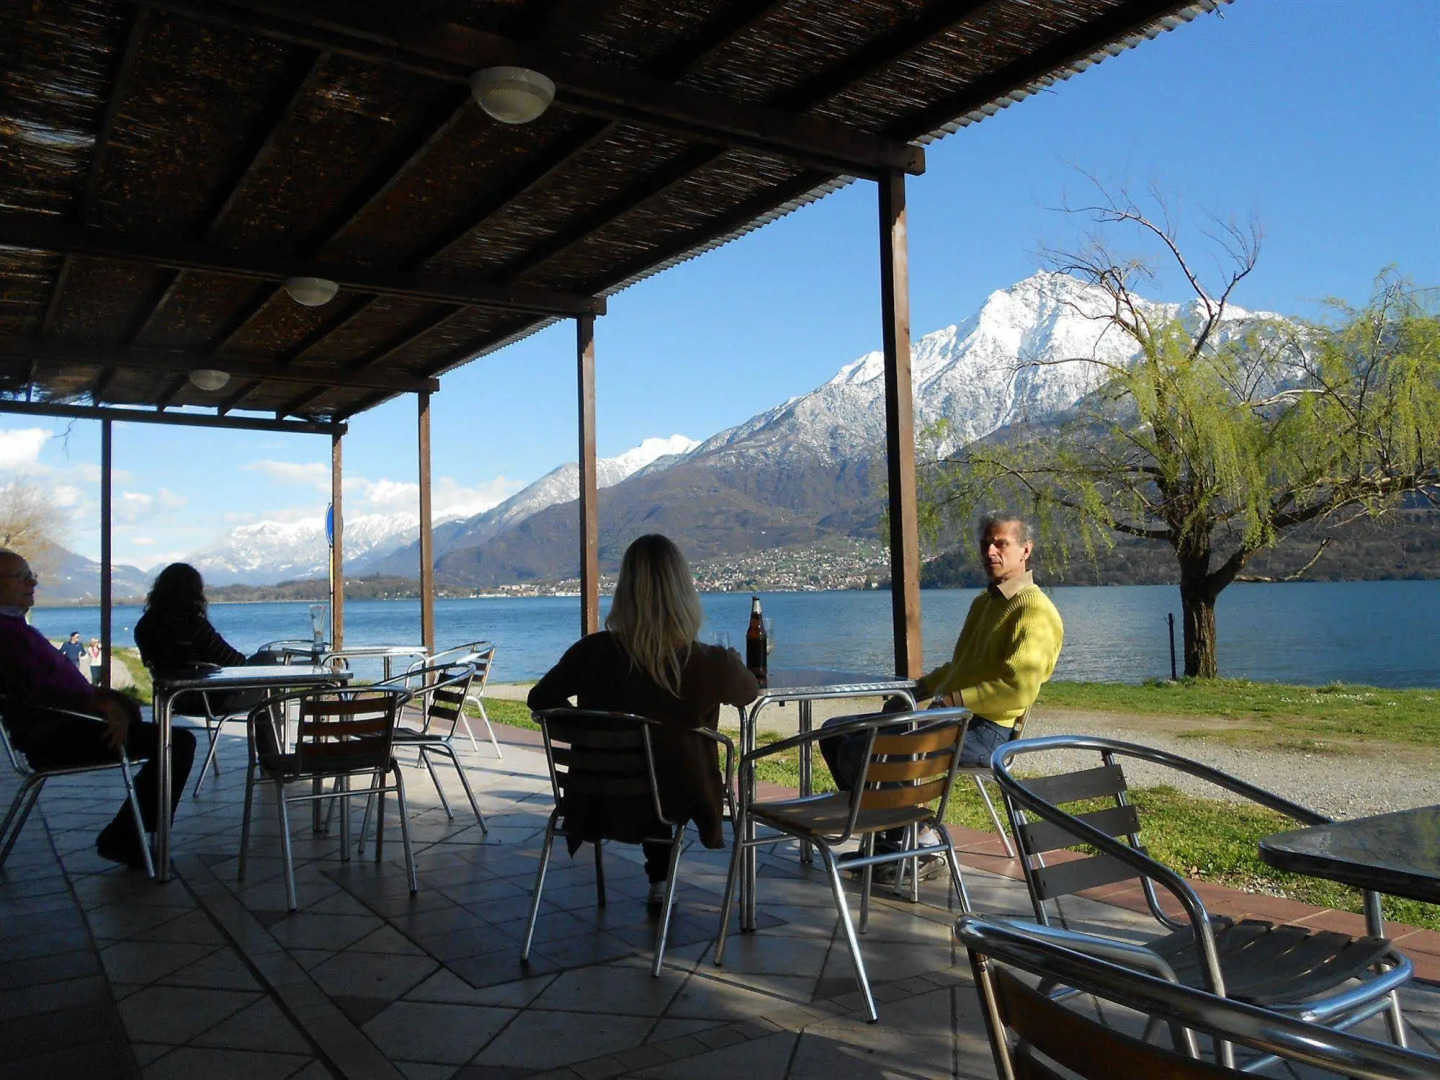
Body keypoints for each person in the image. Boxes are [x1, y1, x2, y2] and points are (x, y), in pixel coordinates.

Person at [821, 514, 1064, 879]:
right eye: (986, 544)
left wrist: (953, 700)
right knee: (836, 733)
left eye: (1001, 544)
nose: (990, 551)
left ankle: (913, 847)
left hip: (986, 731)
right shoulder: (985, 603)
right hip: (953, 719)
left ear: (1025, 550)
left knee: (869, 747)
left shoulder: (1035, 610)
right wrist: (915, 691)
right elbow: (959, 667)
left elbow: (1019, 687)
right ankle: (899, 837)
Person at [528, 534, 758, 910]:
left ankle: (660, 879)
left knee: (655, 764)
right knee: (668, 763)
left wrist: (591, 731)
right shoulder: (708, 662)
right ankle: (661, 882)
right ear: (683, 592)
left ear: (625, 591)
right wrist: (731, 660)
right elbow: (749, 692)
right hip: (677, 797)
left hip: (597, 796)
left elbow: (540, 700)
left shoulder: (590, 652)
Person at [0, 548, 196, 869]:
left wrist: (111, 699)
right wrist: (99, 703)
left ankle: (127, 836)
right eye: (22, 577)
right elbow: (32, 693)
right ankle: (125, 838)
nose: (32, 583)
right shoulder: (7, 636)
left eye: (31, 575)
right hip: (55, 737)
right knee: (176, 743)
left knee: (171, 740)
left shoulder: (16, 628)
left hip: (72, 724)